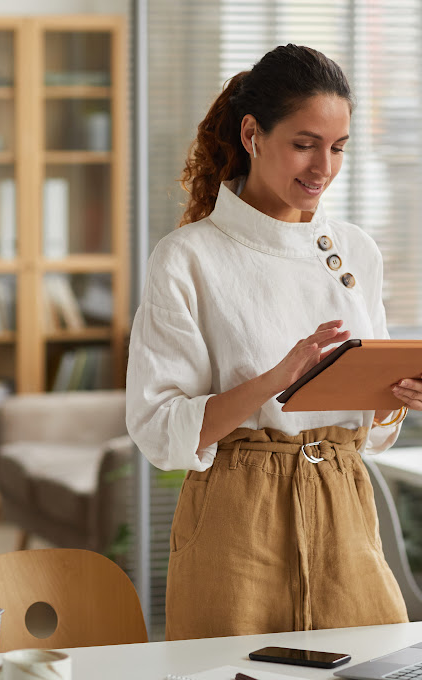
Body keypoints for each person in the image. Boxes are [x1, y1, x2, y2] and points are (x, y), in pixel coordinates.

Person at [126, 44, 422, 640]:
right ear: (253, 134)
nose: (324, 168)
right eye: (304, 143)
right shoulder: (187, 258)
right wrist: (279, 378)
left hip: (345, 505)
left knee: (375, 664)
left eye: (338, 148)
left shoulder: (357, 250)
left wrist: (395, 396)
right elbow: (160, 429)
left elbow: (374, 427)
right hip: (235, 518)